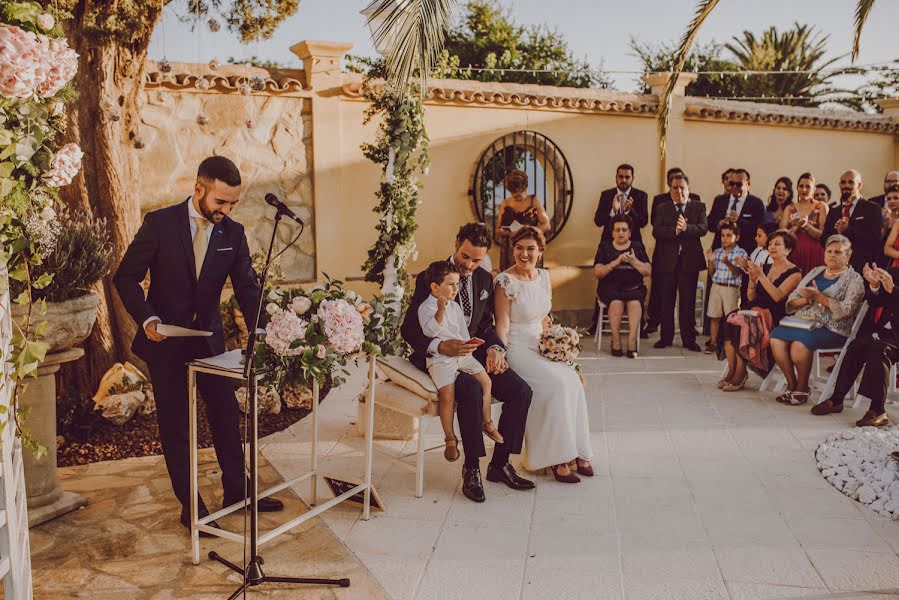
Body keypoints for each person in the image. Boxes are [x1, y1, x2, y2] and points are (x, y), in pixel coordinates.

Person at [113, 156, 284, 536]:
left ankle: (238, 494)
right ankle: (191, 507)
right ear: (199, 189)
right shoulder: (159, 224)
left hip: (209, 341)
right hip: (164, 342)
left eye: (233, 203)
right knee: (175, 426)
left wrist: (264, 331)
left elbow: (247, 287)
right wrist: (148, 318)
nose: (226, 210)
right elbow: (125, 277)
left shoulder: (233, 234)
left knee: (225, 412)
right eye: (221, 202)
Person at [401, 223, 534, 503]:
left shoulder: (485, 279)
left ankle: (500, 464)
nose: (469, 265)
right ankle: (471, 467)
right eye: (465, 257)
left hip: (472, 353)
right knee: (472, 391)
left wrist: (496, 348)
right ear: (456, 243)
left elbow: (485, 325)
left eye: (476, 259)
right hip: (439, 356)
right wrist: (439, 345)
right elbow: (409, 329)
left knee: (521, 392)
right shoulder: (431, 276)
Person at [494, 226, 593, 483]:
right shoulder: (505, 281)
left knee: (573, 377)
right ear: (512, 249)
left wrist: (561, 345)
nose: (524, 254)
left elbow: (545, 317)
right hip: (517, 348)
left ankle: (579, 452)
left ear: (540, 251)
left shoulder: (544, 277)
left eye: (530, 248)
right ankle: (557, 459)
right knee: (558, 384)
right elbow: (502, 324)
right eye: (519, 248)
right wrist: (501, 353)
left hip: (541, 344)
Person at [417, 261, 502, 462]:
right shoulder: (426, 307)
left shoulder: (454, 307)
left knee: (486, 382)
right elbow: (430, 332)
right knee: (447, 395)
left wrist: (469, 345)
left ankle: (487, 423)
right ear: (435, 287)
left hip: (462, 356)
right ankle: (450, 438)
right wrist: (440, 310)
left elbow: (462, 332)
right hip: (440, 359)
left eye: (457, 284)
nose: (456, 289)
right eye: (451, 285)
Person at [768, 235, 865, 405]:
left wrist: (818, 297)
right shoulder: (816, 271)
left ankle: (802, 388)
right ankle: (792, 384)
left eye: (838, 252)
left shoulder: (854, 279)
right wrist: (805, 300)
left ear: (848, 256)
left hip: (833, 328)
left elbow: (847, 310)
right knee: (776, 338)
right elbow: (792, 298)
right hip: (804, 322)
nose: (832, 255)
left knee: (800, 344)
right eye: (829, 251)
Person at [811, 263, 897, 427]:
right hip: (885, 332)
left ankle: (877, 411)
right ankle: (837, 399)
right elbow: (875, 301)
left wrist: (892, 289)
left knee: (879, 349)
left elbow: (893, 293)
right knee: (858, 345)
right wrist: (874, 285)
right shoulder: (894, 272)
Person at [718, 230, 802, 391]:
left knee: (744, 323)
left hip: (774, 315)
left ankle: (740, 373)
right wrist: (752, 280)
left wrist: (760, 276)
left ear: (788, 249)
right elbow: (751, 297)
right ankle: (732, 369)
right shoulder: (766, 266)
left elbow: (777, 297)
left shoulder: (795, 272)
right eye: (770, 243)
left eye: (777, 244)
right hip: (755, 310)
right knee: (730, 318)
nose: (772, 247)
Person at [651, 173, 708, 351]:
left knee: (687, 303)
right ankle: (665, 338)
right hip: (667, 262)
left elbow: (703, 228)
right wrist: (674, 231)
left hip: (689, 262)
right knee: (666, 301)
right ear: (670, 189)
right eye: (675, 187)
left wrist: (686, 228)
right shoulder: (662, 207)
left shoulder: (698, 206)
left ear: (688, 188)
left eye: (682, 187)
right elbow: (656, 231)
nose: (678, 191)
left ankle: (688, 339)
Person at [593, 214, 651, 358]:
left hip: (634, 287)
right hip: (610, 288)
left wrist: (634, 261)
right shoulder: (604, 247)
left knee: (634, 303)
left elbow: (647, 271)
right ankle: (616, 340)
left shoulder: (637, 247)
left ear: (629, 232)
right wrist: (616, 262)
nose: (620, 233)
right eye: (617, 230)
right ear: (612, 232)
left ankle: (632, 342)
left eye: (624, 230)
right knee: (616, 302)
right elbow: (598, 272)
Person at [821, 169, 882, 273]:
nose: (846, 185)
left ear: (859, 185)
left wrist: (848, 230)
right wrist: (837, 234)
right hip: (836, 270)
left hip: (862, 269)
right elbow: (823, 240)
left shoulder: (872, 208)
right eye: (843, 182)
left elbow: (874, 240)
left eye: (851, 182)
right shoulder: (833, 211)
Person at [704, 221, 748, 354]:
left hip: (731, 288)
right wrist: (710, 261)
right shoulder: (717, 252)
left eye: (729, 235)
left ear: (737, 237)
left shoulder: (741, 253)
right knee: (714, 316)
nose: (725, 238)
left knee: (731, 317)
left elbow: (738, 272)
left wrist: (728, 263)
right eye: (723, 235)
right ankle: (713, 343)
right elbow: (711, 272)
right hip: (716, 286)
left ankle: (730, 343)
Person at [495, 169, 550, 271]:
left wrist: (527, 230)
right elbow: (498, 229)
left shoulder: (533, 201)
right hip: (509, 250)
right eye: (512, 192)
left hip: (529, 248)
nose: (515, 195)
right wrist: (509, 233)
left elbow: (546, 225)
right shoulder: (505, 203)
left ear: (524, 187)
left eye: (518, 192)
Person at [708, 168, 766, 254]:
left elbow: (759, 229)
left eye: (739, 184)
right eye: (732, 183)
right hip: (720, 251)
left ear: (748, 184)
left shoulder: (756, 203)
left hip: (745, 251)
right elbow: (709, 224)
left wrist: (739, 221)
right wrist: (719, 224)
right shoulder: (720, 200)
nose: (734, 187)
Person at [781, 172, 828, 273]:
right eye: (801, 186)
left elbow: (822, 234)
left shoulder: (821, 207)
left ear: (814, 189)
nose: (804, 190)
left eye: (808, 186)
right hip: (793, 253)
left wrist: (807, 226)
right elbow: (781, 235)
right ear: (797, 188)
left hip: (815, 253)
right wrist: (796, 227)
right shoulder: (789, 208)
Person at [594, 163, 649, 245]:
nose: (623, 180)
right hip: (608, 243)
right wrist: (613, 211)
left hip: (633, 243)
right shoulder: (606, 195)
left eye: (627, 177)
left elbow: (643, 223)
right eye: (620, 177)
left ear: (632, 178)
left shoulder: (641, 195)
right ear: (616, 178)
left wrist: (629, 211)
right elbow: (598, 221)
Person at [882, 185, 899, 267]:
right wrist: (885, 226)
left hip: (894, 260)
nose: (891, 201)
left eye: (896, 198)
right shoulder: (882, 217)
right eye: (888, 199)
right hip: (881, 259)